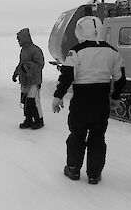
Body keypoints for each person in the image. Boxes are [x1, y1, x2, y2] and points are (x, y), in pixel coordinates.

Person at [52, 16, 126, 184]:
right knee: (98, 137)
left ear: (80, 31)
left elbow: (67, 76)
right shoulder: (113, 51)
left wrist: (58, 96)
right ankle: (94, 174)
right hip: (101, 99)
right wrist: (115, 97)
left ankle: (73, 169)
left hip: (82, 100)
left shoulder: (76, 51)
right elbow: (120, 78)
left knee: (77, 135)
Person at [12, 28, 45, 129]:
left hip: (34, 80)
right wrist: (16, 73)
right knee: (25, 100)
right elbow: (21, 64)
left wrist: (27, 66)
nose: (18, 41)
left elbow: (40, 64)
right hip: (24, 80)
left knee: (33, 101)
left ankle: (39, 120)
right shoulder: (23, 50)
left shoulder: (36, 50)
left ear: (24, 38)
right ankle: (28, 119)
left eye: (19, 39)